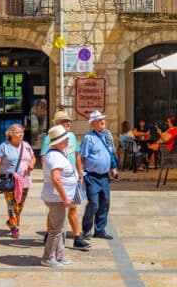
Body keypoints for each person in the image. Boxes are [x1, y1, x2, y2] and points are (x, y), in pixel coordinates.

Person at [40, 111, 89, 250]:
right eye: (64, 121)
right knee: (55, 211)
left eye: (69, 120)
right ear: (56, 124)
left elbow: (77, 155)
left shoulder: (72, 136)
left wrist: (80, 173)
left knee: (73, 208)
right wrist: (49, 176)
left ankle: (77, 237)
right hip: (58, 180)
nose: (68, 123)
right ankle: (50, 233)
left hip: (71, 178)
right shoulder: (49, 139)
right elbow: (44, 158)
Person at [40, 124, 78, 268]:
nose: (68, 141)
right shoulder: (55, 156)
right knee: (57, 229)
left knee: (62, 227)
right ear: (59, 142)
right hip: (56, 198)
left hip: (58, 197)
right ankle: (48, 257)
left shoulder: (58, 153)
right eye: (66, 139)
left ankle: (59, 256)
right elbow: (56, 179)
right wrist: (64, 198)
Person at [0, 123, 33, 239]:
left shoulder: (26, 145)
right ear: (11, 134)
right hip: (9, 180)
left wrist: (32, 164)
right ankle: (15, 228)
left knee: (20, 206)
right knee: (12, 206)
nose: (21, 134)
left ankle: (11, 221)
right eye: (18, 132)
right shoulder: (4, 146)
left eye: (22, 132)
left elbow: (33, 158)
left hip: (24, 180)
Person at [81, 111, 118, 240]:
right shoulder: (88, 138)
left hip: (104, 176)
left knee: (105, 203)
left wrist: (113, 169)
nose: (102, 121)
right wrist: (81, 174)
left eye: (103, 119)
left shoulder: (107, 136)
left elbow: (111, 154)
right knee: (94, 203)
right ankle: (86, 230)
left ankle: (100, 230)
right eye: (99, 120)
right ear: (93, 123)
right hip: (91, 176)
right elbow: (82, 157)